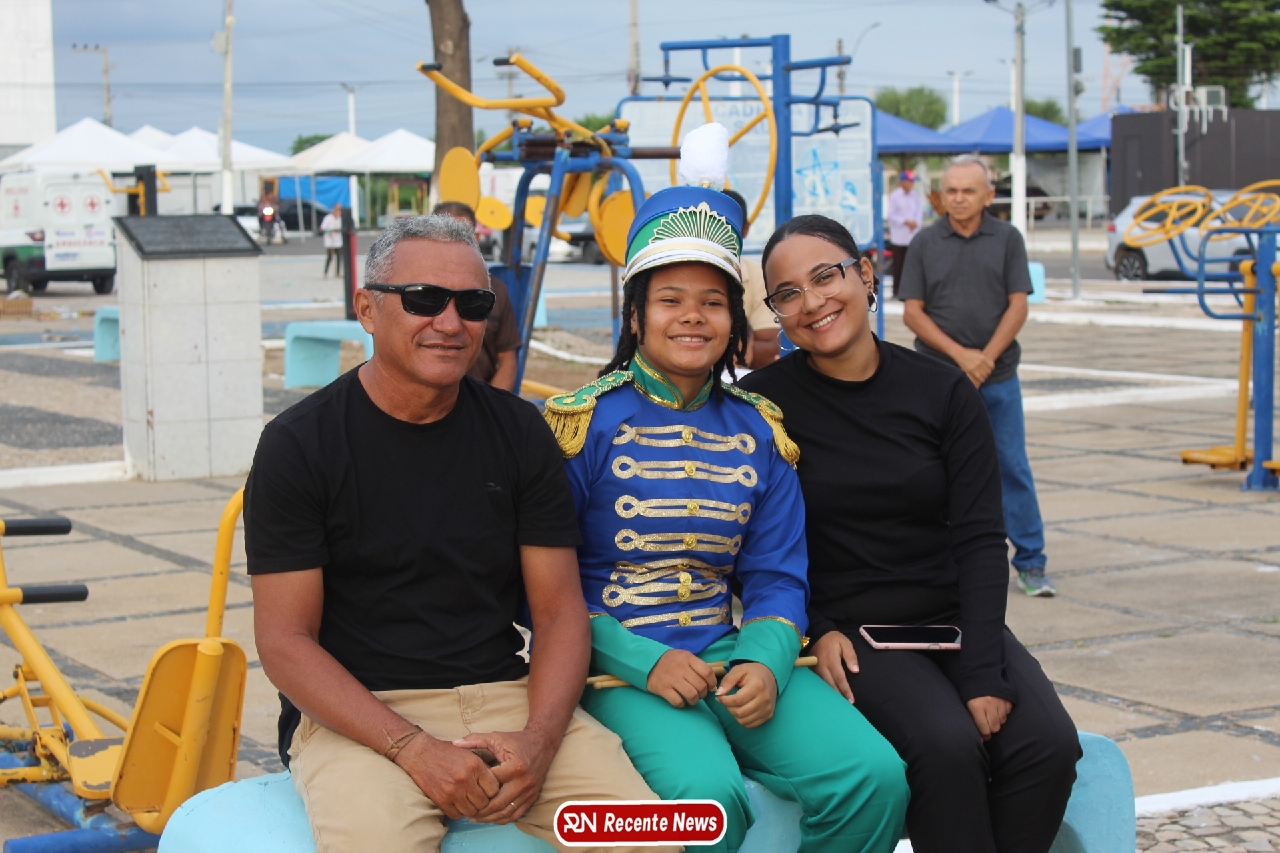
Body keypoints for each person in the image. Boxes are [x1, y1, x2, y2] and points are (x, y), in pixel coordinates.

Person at [244, 214, 670, 853]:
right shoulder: (299, 445)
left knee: (646, 836)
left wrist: (539, 741)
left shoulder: (519, 431)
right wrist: (413, 748)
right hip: (360, 714)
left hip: (506, 697)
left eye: (472, 305)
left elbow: (559, 613)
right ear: (367, 308)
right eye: (423, 299)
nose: (450, 323)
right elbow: (285, 642)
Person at [545, 180, 909, 853]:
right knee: (705, 804)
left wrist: (765, 661)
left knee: (873, 776)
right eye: (671, 300)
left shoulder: (760, 428)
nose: (693, 317)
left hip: (728, 652)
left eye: (713, 302)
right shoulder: (580, 423)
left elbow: (777, 575)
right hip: (613, 665)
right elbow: (539, 588)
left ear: (734, 320)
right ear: (635, 316)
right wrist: (645, 661)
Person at [739, 214, 1079, 853]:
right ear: (776, 312)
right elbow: (748, 546)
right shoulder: (762, 406)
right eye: (787, 293)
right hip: (851, 632)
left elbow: (981, 537)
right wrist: (814, 628)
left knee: (1048, 745)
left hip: (953, 616)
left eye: (826, 277)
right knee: (945, 748)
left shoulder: (942, 390)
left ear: (866, 274)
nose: (812, 302)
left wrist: (984, 671)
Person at [898, 155, 1055, 597]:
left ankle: (1031, 562)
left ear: (988, 195)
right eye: (951, 191)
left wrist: (985, 359)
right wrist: (962, 357)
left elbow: (1018, 304)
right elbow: (913, 312)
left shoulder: (1007, 239)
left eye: (969, 191)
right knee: (935, 473)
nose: (959, 198)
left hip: (998, 377)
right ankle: (942, 563)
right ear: (940, 197)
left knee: (1011, 467)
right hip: (939, 382)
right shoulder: (924, 242)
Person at [434, 201, 521, 391]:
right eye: (448, 234)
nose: (451, 327)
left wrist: (491, 405)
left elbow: (507, 359)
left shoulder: (496, 290)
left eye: (463, 235)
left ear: (477, 238)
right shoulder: (413, 290)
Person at [722, 189, 779, 368]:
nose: (718, 233)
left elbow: (769, 349)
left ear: (745, 229)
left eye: (728, 225)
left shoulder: (758, 276)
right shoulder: (678, 271)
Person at [885, 170, 922, 297]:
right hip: (899, 236)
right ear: (903, 182)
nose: (911, 184)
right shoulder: (895, 196)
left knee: (912, 265)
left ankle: (910, 290)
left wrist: (915, 223)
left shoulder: (915, 195)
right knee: (898, 265)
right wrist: (905, 222)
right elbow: (891, 215)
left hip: (912, 235)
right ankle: (897, 290)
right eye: (909, 181)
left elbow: (919, 212)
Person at [321, 203, 344, 278]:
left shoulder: (340, 219)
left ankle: (338, 273)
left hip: (338, 241)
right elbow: (322, 228)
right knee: (330, 257)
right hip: (330, 241)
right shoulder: (328, 218)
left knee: (339, 257)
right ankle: (325, 273)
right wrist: (328, 231)